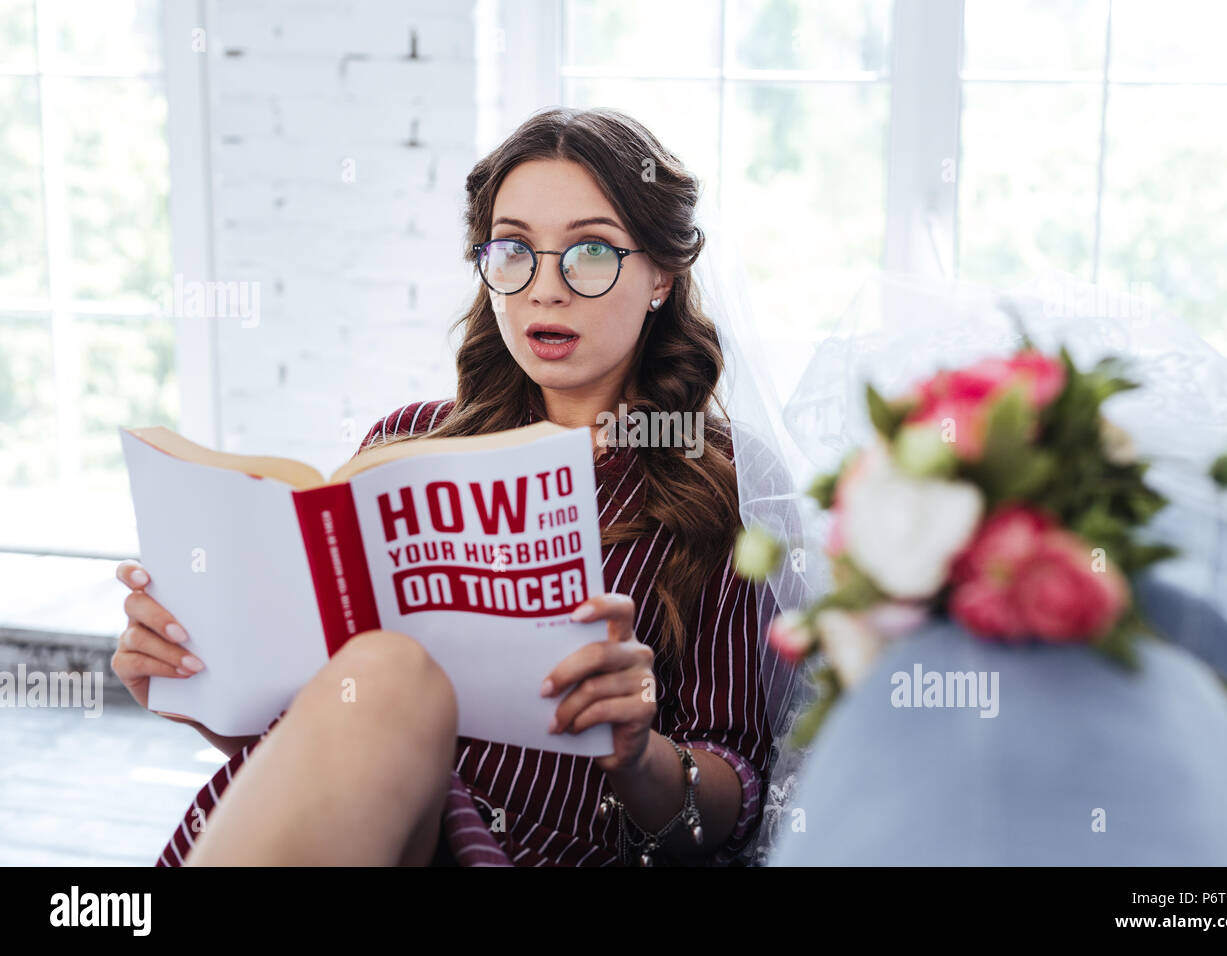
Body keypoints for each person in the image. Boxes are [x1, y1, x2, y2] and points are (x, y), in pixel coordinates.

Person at [112, 107, 803, 867]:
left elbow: (737, 796)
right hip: (367, 830)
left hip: (546, 852)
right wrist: (199, 680)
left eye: (591, 252)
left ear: (662, 276)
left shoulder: (725, 488)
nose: (545, 288)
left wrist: (640, 755)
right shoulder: (406, 445)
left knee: (390, 670)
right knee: (384, 675)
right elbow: (318, 729)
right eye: (514, 250)